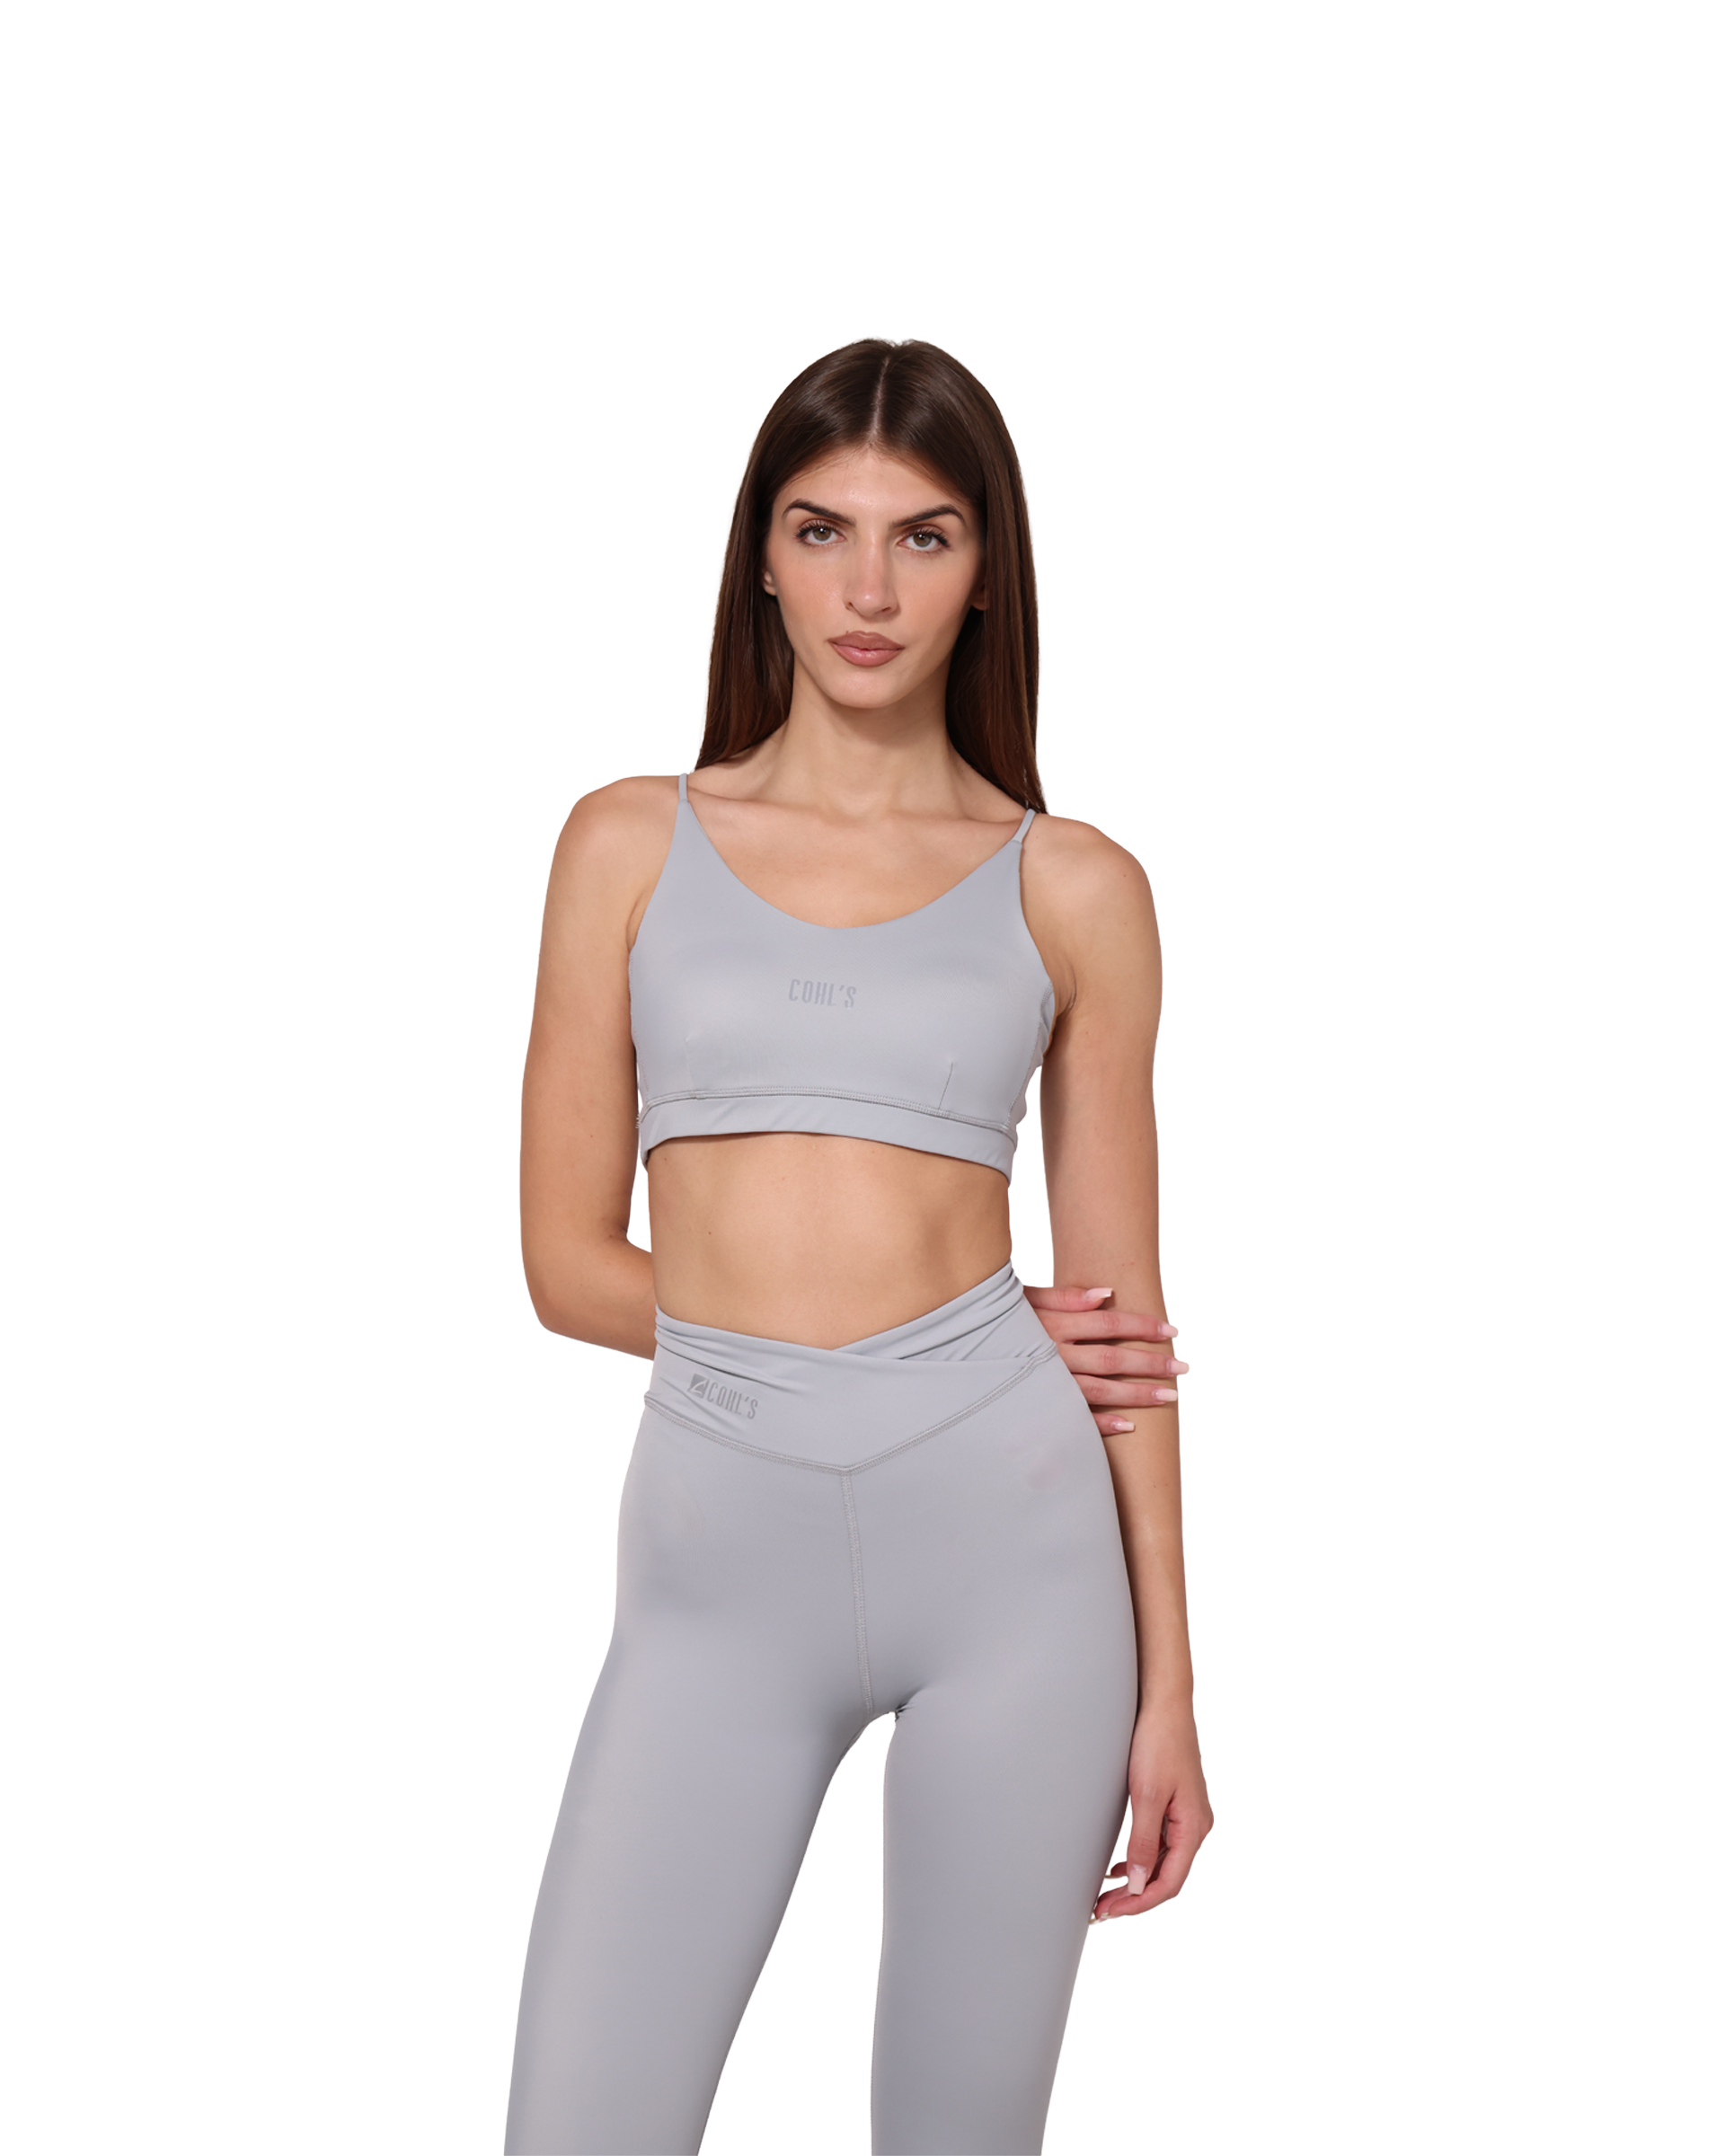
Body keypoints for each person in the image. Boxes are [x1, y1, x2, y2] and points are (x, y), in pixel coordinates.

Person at [505, 337, 1212, 2156]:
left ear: (986, 570)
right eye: (823, 530)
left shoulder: (1074, 884)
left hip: (1017, 1564)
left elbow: (1123, 1333)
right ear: (761, 555)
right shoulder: (628, 845)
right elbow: (569, 1263)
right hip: (718, 1566)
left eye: (925, 535)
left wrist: (1172, 1693)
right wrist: (875, 1332)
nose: (870, 589)